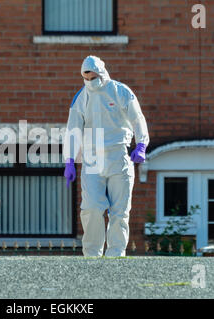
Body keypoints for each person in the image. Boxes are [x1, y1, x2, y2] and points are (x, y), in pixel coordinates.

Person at [63, 56, 149, 257]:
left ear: (102, 73)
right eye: (86, 77)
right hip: (92, 159)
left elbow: (138, 119)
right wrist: (69, 160)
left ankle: (116, 255)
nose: (90, 81)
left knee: (119, 212)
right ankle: (92, 255)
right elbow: (73, 130)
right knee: (91, 208)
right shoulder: (81, 97)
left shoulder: (121, 92)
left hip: (119, 155)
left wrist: (142, 143)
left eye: (93, 77)